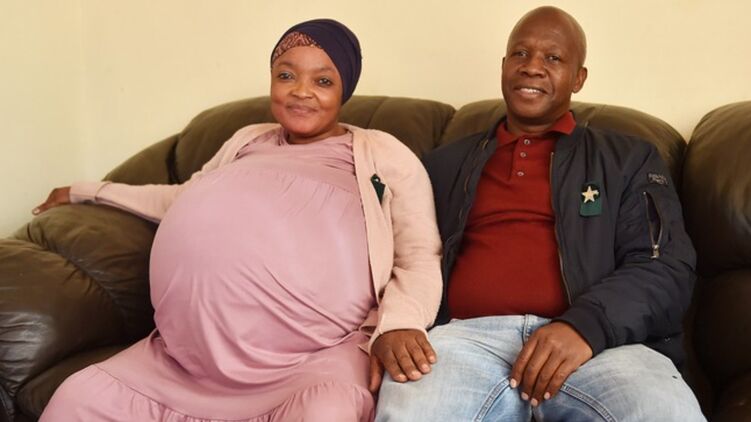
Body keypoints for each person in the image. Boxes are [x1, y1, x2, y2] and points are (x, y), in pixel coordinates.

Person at [35, 19, 442, 422]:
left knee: (326, 412)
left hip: (308, 362)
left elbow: (419, 253)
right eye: (286, 75)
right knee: (76, 398)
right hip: (181, 360)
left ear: (344, 90)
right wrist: (89, 191)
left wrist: (400, 323)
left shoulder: (382, 153)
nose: (301, 91)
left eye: (323, 81)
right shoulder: (247, 139)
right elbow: (180, 198)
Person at [375, 6, 706, 421]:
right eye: (520, 53)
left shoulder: (627, 159)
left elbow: (665, 266)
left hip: (598, 345)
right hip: (465, 343)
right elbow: (394, 254)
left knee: (664, 412)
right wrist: (393, 324)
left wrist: (584, 326)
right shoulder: (443, 165)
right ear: (503, 66)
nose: (532, 67)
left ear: (578, 78)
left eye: (553, 57)